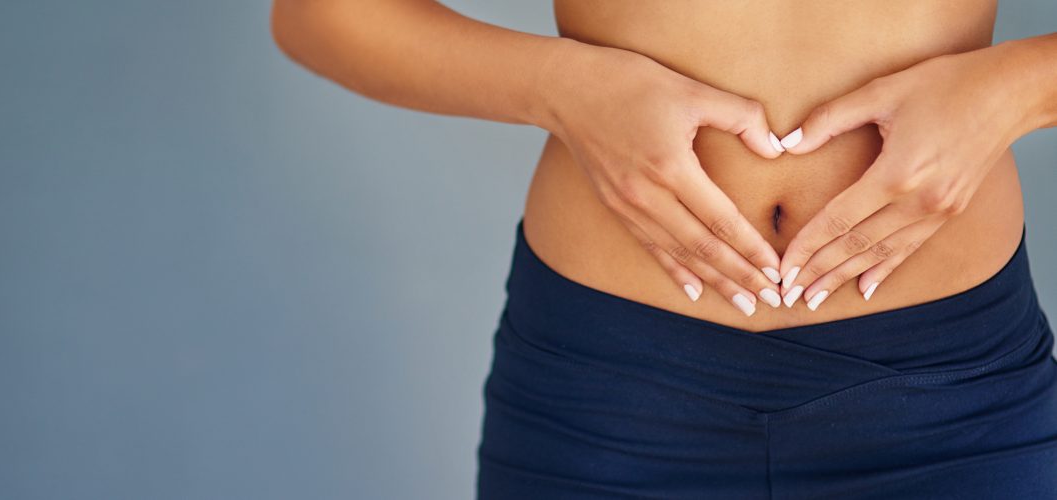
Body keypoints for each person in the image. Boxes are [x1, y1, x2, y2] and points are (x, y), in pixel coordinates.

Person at [271, 1, 1057, 497]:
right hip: (610, 395)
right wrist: (562, 86)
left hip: (950, 397)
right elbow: (320, 14)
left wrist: (1014, 89)